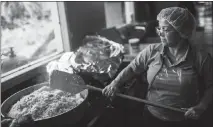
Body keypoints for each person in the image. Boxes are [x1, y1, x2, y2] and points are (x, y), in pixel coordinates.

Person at [102, 7, 213, 127]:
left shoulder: (201, 58)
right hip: (152, 116)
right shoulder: (152, 51)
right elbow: (132, 68)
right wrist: (115, 83)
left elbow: (211, 86)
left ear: (181, 31)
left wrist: (201, 107)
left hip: (184, 120)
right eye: (159, 28)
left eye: (165, 29)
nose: (160, 33)